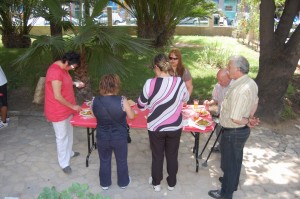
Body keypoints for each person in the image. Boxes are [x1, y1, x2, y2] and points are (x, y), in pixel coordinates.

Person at [208, 55, 260, 199]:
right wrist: (249, 118)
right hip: (241, 131)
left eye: (229, 66)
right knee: (236, 160)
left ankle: (225, 193)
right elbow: (255, 102)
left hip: (233, 131)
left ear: (237, 69)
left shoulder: (239, 89)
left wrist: (247, 120)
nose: (228, 68)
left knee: (229, 164)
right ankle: (232, 183)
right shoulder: (250, 83)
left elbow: (236, 119)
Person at [137, 53, 189, 192]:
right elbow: (185, 98)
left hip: (155, 127)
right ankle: (171, 183)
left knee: (157, 155)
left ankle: (156, 183)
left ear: (156, 67)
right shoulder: (179, 82)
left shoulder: (150, 83)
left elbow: (141, 105)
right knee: (172, 155)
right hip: (175, 127)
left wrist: (151, 104)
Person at [92, 74, 134, 190]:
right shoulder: (122, 100)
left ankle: (104, 184)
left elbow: (93, 114)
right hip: (119, 136)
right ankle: (123, 183)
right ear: (116, 86)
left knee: (104, 160)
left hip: (102, 136)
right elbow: (131, 116)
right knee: (121, 160)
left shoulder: (94, 100)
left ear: (102, 86)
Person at [44, 51, 84, 174]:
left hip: (67, 108)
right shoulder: (55, 72)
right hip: (58, 109)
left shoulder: (63, 67)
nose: (73, 69)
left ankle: (70, 152)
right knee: (61, 137)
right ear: (67, 62)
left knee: (69, 132)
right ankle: (64, 163)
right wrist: (73, 106)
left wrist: (75, 83)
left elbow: (63, 83)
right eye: (73, 66)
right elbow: (57, 96)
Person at [203, 68, 232, 152]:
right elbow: (215, 99)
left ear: (229, 78)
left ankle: (228, 150)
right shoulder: (218, 86)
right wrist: (209, 103)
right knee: (218, 131)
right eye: (218, 80)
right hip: (220, 113)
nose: (219, 82)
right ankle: (221, 146)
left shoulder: (234, 87)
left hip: (231, 116)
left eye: (221, 80)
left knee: (228, 134)